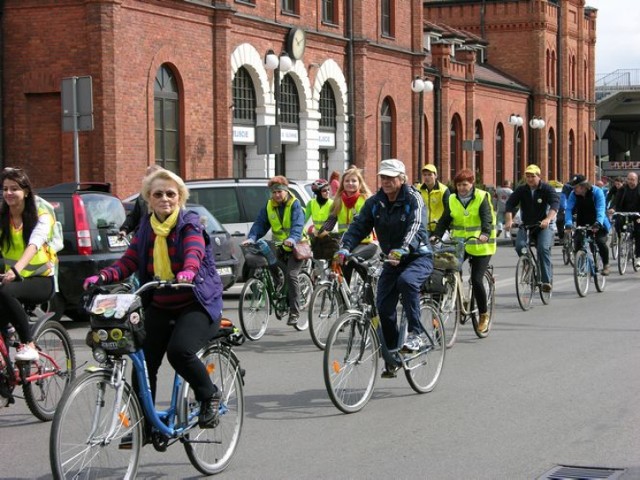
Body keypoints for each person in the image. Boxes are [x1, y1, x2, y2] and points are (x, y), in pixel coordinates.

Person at [82, 168, 223, 430]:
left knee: (179, 352)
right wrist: (102, 277)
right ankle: (144, 424)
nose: (165, 199)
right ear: (149, 198)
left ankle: (209, 395)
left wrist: (189, 270)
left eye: (171, 193)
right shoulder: (146, 228)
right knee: (144, 362)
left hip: (196, 303)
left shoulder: (189, 222)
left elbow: (194, 249)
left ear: (180, 197)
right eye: (158, 194)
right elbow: (130, 261)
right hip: (160, 303)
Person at [334, 159, 433, 376]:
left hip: (417, 256)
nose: (386, 181)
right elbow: (359, 226)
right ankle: (392, 354)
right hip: (391, 259)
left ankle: (416, 334)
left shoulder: (413, 198)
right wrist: (344, 248)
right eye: (383, 177)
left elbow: (416, 226)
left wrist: (403, 249)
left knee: (407, 282)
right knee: (384, 308)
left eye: (391, 177)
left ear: (402, 178)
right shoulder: (376, 202)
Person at [0, 167, 58, 361]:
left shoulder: (42, 217)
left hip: (41, 280)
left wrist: (16, 270)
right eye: (5, 188)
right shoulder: (3, 219)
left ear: (25, 192)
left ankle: (29, 344)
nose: (8, 193)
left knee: (6, 292)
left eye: (14, 188)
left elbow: (34, 245)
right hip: (14, 280)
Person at [431, 168, 496, 333]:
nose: (462, 188)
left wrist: (485, 233)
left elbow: (486, 217)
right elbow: (445, 219)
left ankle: (483, 315)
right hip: (460, 243)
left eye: (465, 184)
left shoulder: (482, 196)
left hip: (481, 245)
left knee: (476, 279)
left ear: (472, 183)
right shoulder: (452, 198)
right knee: (444, 271)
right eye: (459, 185)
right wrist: (436, 235)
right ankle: (440, 310)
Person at [242, 176, 305, 326]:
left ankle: (294, 311)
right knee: (269, 264)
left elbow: (298, 225)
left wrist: (292, 238)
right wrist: (251, 238)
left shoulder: (295, 205)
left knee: (291, 274)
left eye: (279, 192)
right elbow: (260, 224)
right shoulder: (269, 205)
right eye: (274, 192)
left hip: (296, 246)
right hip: (280, 246)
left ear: (286, 190)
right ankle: (280, 288)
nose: (276, 195)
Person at [504, 164, 559, 293]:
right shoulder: (522, 190)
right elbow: (510, 204)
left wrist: (547, 219)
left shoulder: (547, 189)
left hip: (543, 226)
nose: (529, 179)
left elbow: (555, 205)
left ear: (539, 176)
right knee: (520, 246)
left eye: (532, 176)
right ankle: (528, 266)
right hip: (527, 225)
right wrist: (509, 220)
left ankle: (546, 281)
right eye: (527, 176)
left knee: (542, 248)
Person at [319, 166, 378, 284]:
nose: (350, 183)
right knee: (340, 267)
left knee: (352, 260)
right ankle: (344, 300)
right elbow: (330, 221)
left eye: (354, 181)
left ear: (360, 183)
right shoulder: (338, 200)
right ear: (342, 183)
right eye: (347, 181)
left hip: (366, 242)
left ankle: (370, 294)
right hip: (346, 243)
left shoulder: (366, 200)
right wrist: (319, 234)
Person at [563, 174, 610, 276]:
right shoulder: (573, 194)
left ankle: (606, 264)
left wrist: (598, 223)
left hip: (598, 221)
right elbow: (569, 209)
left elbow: (601, 208)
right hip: (582, 221)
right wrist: (568, 223)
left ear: (584, 186)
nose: (573, 189)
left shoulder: (597, 192)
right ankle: (580, 266)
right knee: (578, 241)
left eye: (575, 187)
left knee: (600, 241)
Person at [119, 164, 163, 237]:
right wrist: (125, 229)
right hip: (143, 237)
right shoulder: (142, 196)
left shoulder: (165, 196)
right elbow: (134, 216)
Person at [608, 171, 640, 268]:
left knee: (639, 233)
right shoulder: (623, 189)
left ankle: (638, 257)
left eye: (633, 180)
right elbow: (616, 200)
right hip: (624, 213)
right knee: (617, 223)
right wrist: (613, 208)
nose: (630, 182)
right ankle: (621, 240)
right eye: (629, 179)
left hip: (637, 214)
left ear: (637, 180)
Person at [304, 179, 337, 260]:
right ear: (318, 193)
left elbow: (332, 222)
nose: (328, 192)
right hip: (317, 238)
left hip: (331, 237)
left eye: (329, 189)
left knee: (331, 264)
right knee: (318, 263)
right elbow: (302, 220)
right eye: (324, 190)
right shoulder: (311, 203)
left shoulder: (333, 204)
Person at [415, 163, 450, 236]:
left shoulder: (443, 190)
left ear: (435, 176)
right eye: (425, 175)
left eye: (430, 175)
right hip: (424, 228)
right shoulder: (418, 189)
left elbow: (448, 211)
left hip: (440, 227)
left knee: (437, 246)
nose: (427, 177)